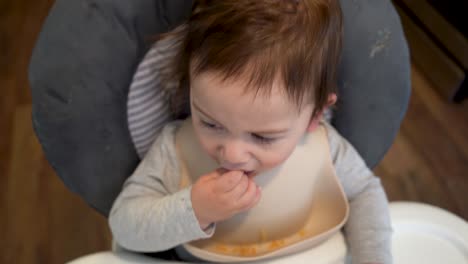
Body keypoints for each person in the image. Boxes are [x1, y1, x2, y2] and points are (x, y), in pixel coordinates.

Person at [109, 0, 392, 263]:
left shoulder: (325, 149)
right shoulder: (175, 151)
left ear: (314, 115)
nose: (232, 154)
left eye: (262, 137)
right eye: (210, 123)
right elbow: (124, 226)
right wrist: (194, 210)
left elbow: (364, 192)